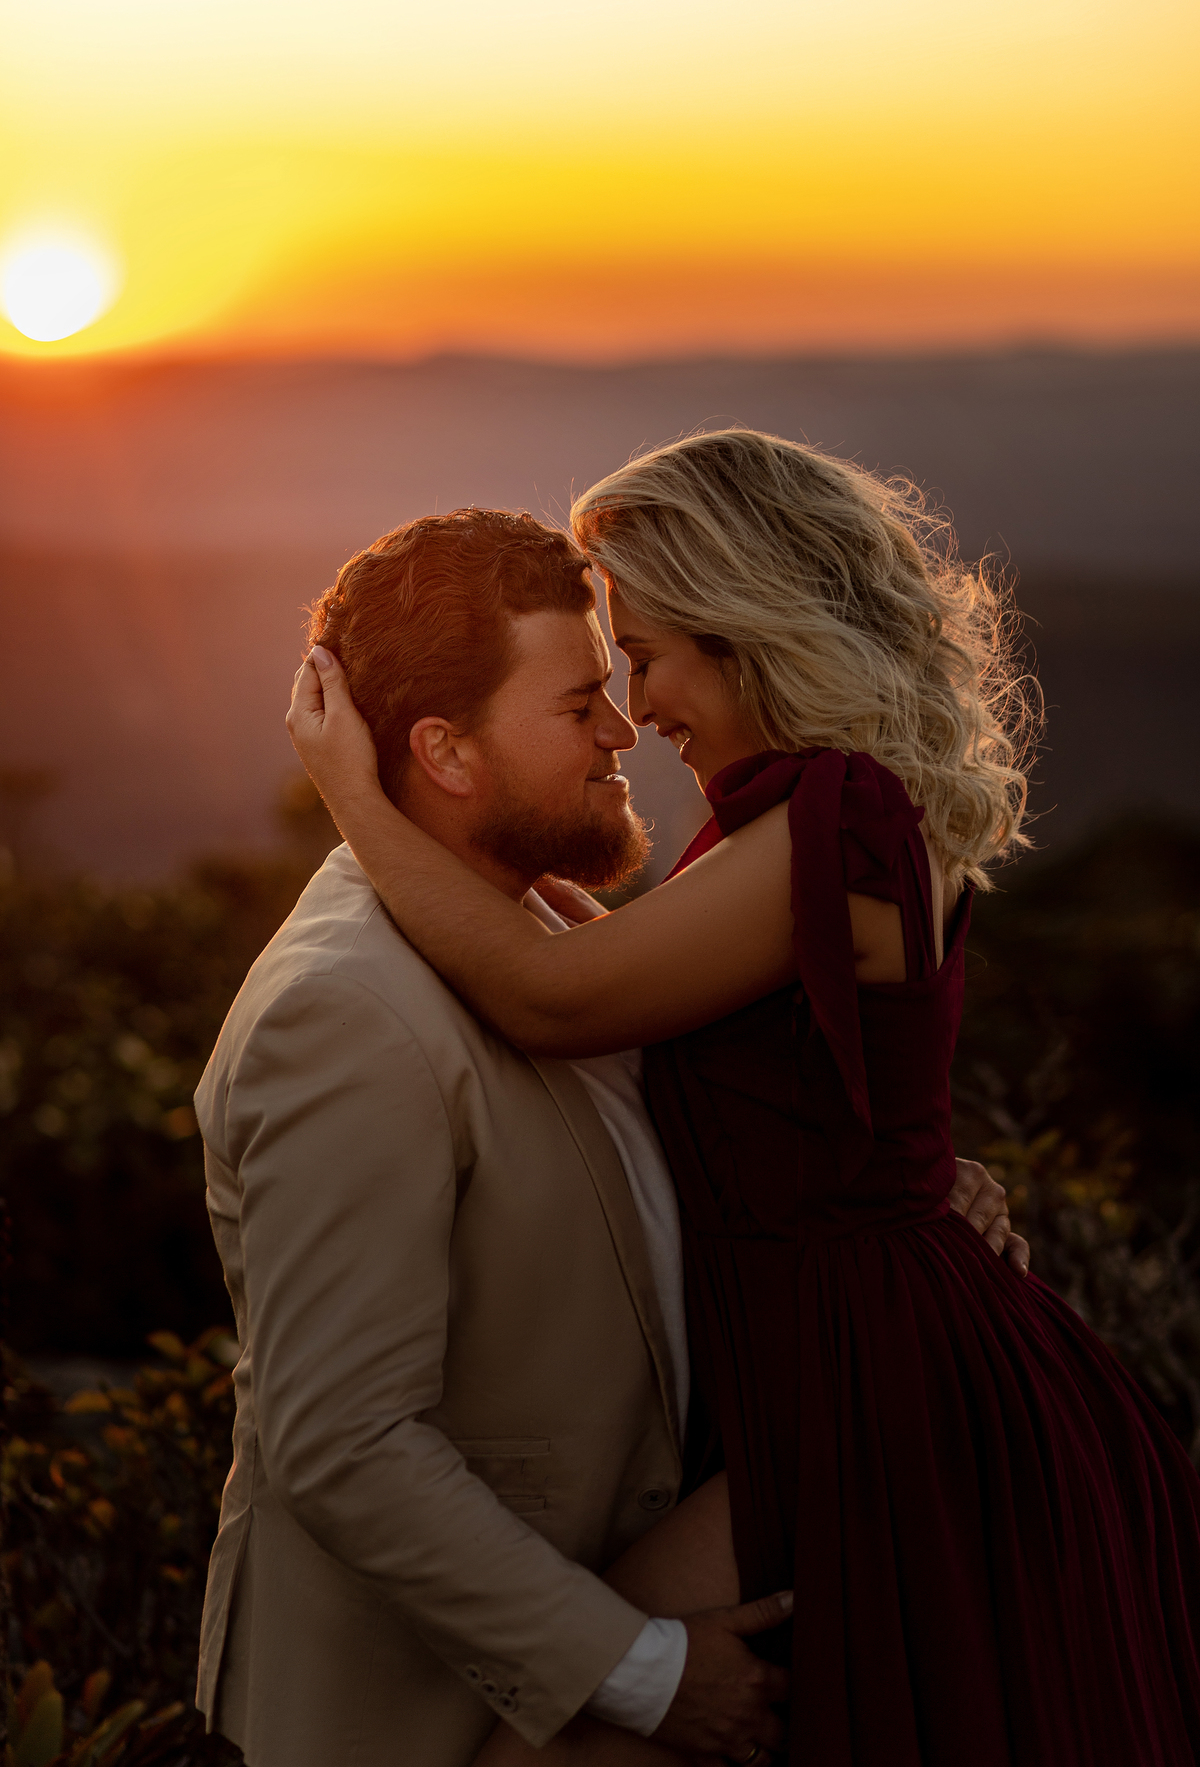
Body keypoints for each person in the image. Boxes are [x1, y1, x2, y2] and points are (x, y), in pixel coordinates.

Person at [289, 433, 1200, 1767]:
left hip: (869, 1396)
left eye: (648, 656)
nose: (638, 707)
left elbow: (555, 1001)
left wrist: (356, 801)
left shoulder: (834, 821)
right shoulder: (811, 821)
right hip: (854, 1365)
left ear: (748, 631)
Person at [196, 505, 1021, 1767]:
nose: (625, 730)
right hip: (417, 1721)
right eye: (581, 702)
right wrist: (646, 1672)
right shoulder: (346, 1012)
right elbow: (343, 1446)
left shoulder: (568, 935)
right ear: (447, 753)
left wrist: (909, 1199)